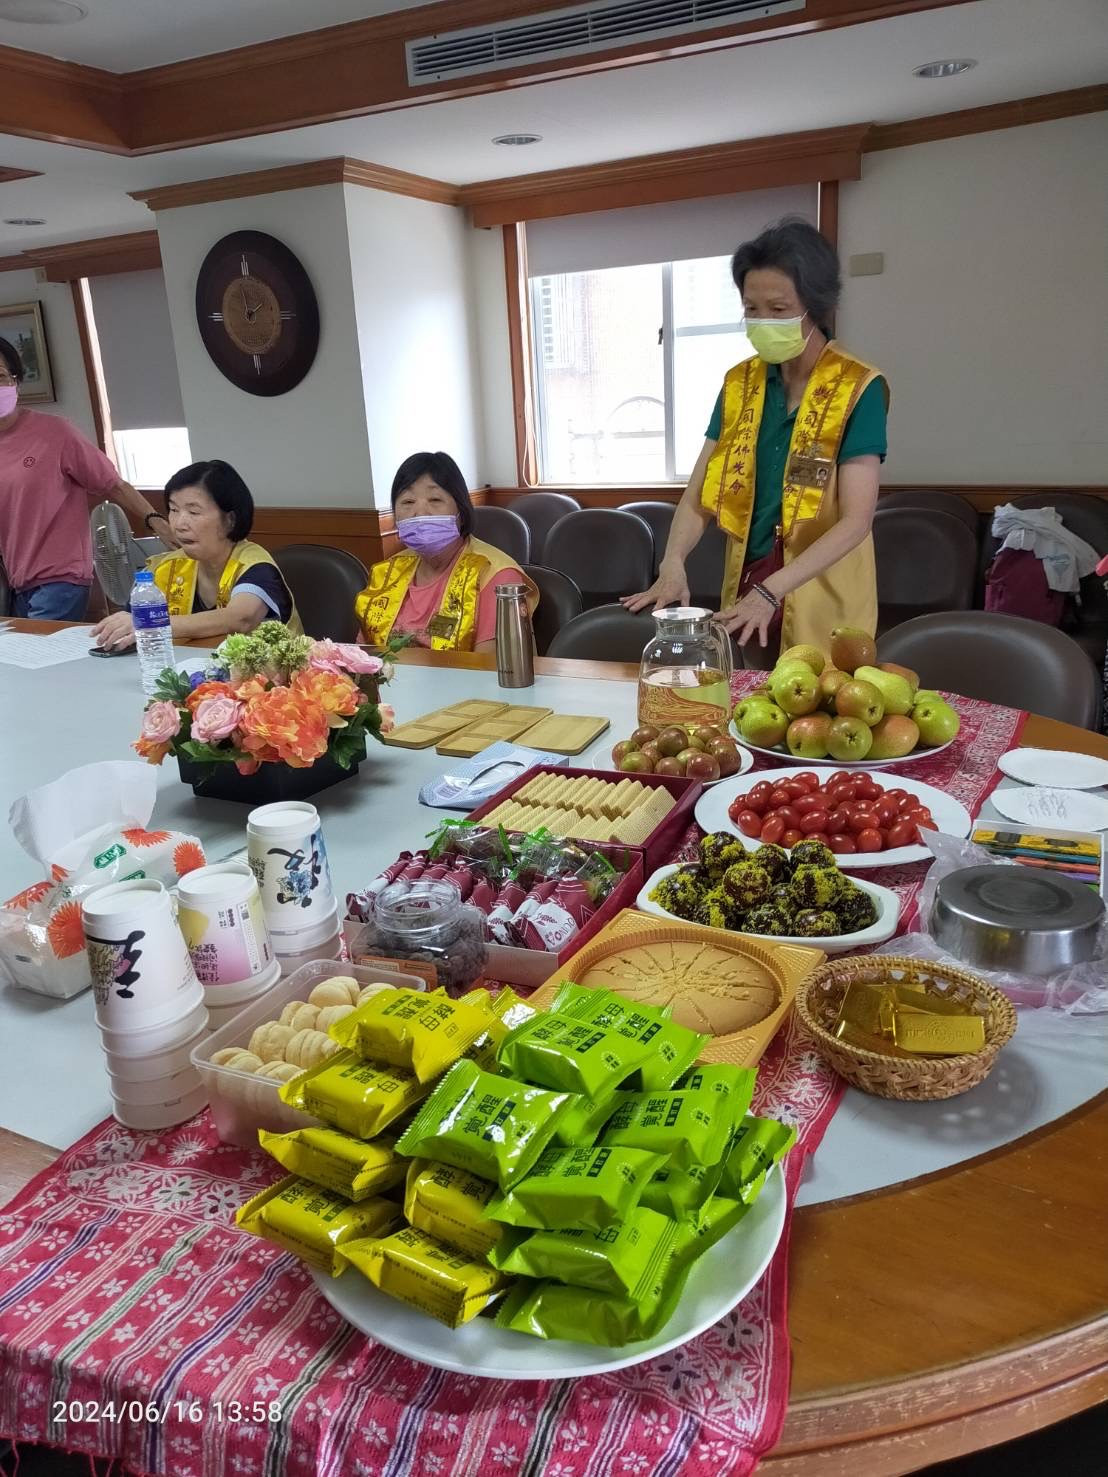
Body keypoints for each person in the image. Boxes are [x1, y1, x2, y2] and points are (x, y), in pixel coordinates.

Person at [624, 218, 888, 655]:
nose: (763, 321)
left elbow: (856, 521)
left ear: (815, 306)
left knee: (818, 691)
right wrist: (672, 563)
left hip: (825, 590)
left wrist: (773, 590)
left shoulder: (857, 387)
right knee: (745, 691)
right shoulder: (739, 385)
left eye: (779, 310)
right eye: (751, 308)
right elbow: (698, 495)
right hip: (750, 585)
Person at [0, 335, 177, 620]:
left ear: (16, 382)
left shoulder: (55, 432)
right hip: (15, 581)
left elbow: (113, 484)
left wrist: (156, 521)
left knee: (40, 649)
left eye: (1, 377)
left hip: (60, 578)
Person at [92, 460, 301, 649]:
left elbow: (241, 618)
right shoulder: (165, 567)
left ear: (230, 520)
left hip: (268, 677)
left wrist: (153, 623)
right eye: (174, 510)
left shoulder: (255, 565)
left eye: (193, 512)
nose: (179, 524)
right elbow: (131, 621)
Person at [355, 451, 538, 653]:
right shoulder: (387, 572)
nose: (420, 512)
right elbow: (362, 656)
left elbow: (491, 666)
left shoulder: (495, 574)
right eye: (408, 502)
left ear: (461, 511)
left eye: (435, 499)